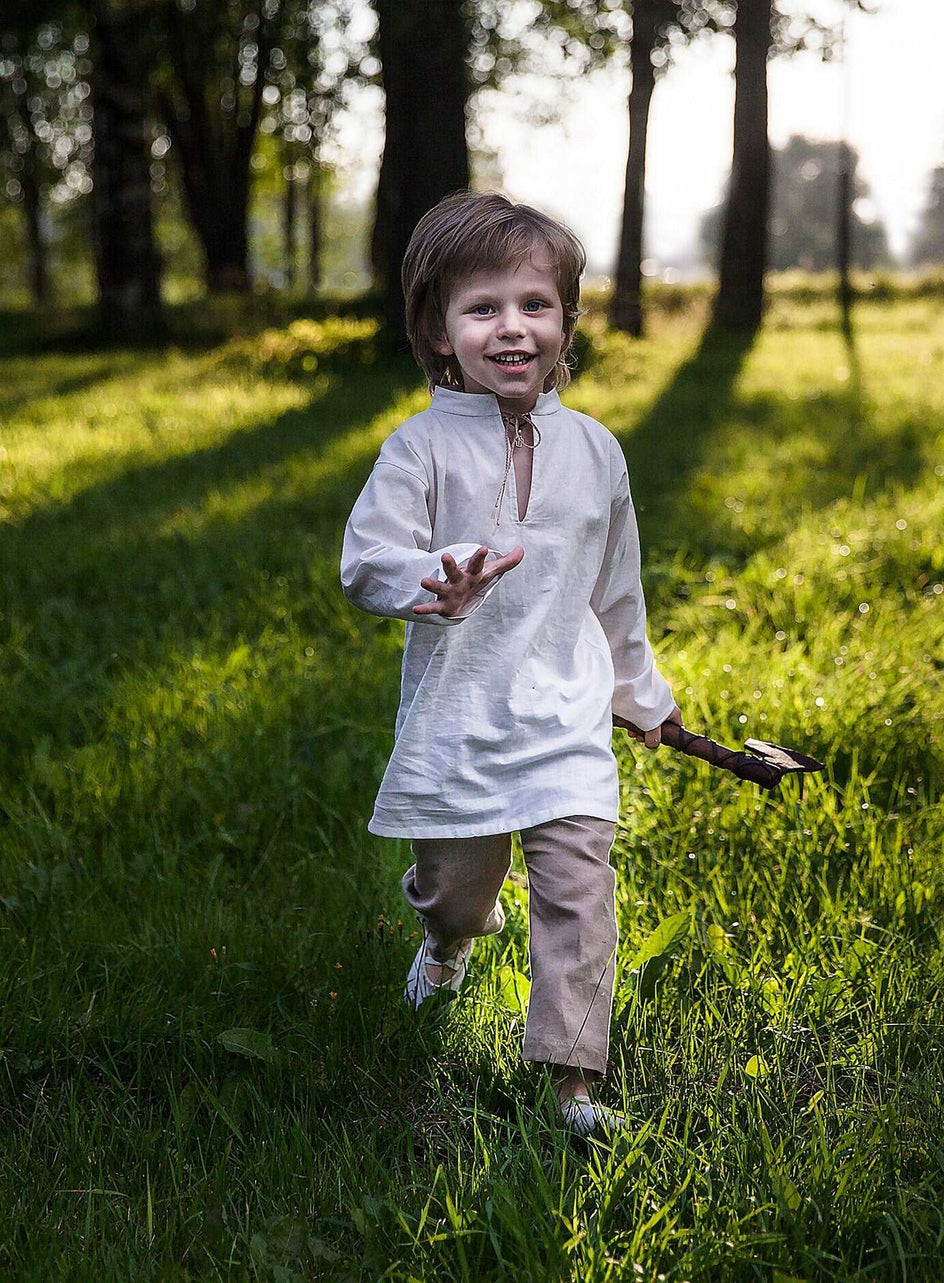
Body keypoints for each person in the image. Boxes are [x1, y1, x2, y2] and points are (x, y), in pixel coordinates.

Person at [340, 189, 681, 1138]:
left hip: (564, 723)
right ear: (440, 331)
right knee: (457, 888)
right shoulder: (420, 447)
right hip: (462, 721)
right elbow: (366, 561)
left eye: (534, 304)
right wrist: (429, 576)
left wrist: (639, 695)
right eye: (481, 307)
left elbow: (616, 591)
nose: (511, 327)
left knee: (580, 896)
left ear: (566, 320)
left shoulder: (597, 450)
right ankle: (449, 940)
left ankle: (573, 1080)